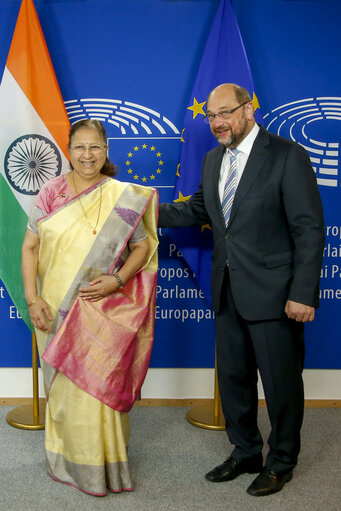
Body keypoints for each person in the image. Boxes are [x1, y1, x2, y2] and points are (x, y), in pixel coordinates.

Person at [158, 83, 325, 496]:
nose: (217, 122)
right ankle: (245, 451)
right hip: (227, 289)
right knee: (233, 379)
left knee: (281, 383)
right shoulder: (214, 159)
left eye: (226, 113)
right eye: (211, 116)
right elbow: (198, 209)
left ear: (248, 110)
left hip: (275, 292)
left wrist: (303, 292)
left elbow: (309, 230)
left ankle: (281, 461)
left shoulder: (287, 155)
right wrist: (137, 210)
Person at [21, 119, 158, 496]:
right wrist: (33, 299)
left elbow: (142, 248)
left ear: (106, 150)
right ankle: (67, 463)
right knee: (64, 391)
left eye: (95, 147)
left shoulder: (122, 196)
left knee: (100, 387)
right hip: (53, 309)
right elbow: (29, 248)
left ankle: (106, 467)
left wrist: (119, 280)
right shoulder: (50, 193)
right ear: (68, 151)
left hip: (102, 312)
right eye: (79, 147)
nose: (87, 155)